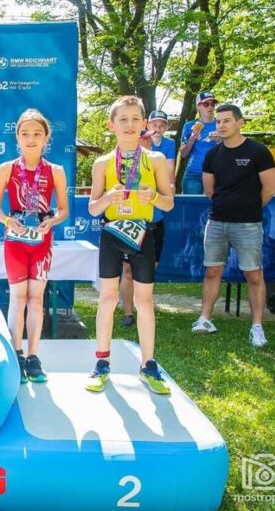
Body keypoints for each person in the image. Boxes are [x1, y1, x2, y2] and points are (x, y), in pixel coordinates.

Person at [86, 95, 174, 395]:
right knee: (108, 298)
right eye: (123, 119)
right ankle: (101, 363)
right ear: (111, 125)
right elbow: (93, 208)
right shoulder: (102, 163)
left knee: (144, 301)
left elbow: (169, 203)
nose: (129, 124)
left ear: (144, 124)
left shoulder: (156, 159)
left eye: (135, 119)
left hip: (143, 234)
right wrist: (108, 198)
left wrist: (154, 198)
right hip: (112, 233)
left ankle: (148, 365)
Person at [0, 109, 68, 383]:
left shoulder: (56, 171)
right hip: (15, 241)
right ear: (17, 138)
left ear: (46, 137)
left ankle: (34, 357)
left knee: (36, 299)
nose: (31, 139)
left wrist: (52, 221)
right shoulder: (7, 168)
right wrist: (7, 220)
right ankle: (17, 355)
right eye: (25, 134)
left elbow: (63, 210)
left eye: (37, 134)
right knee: (18, 298)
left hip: (42, 242)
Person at [192, 104, 275, 347]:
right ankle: (204, 319)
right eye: (218, 121)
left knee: (254, 275)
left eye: (227, 120)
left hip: (248, 224)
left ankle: (257, 327)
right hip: (216, 222)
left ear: (240, 123)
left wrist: (248, 208)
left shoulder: (258, 151)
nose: (221, 125)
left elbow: (270, 189)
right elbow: (210, 190)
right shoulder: (212, 155)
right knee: (212, 271)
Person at [120, 112, 177, 326]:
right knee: (127, 271)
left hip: (154, 222)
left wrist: (163, 192)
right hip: (130, 223)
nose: (147, 143)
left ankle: (144, 311)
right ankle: (128, 314)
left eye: (150, 140)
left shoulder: (159, 164)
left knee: (148, 271)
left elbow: (168, 196)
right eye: (144, 139)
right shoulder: (124, 163)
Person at [179, 91, 220, 194]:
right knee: (193, 203)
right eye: (206, 104)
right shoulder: (189, 125)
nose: (210, 107)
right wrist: (192, 139)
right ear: (198, 106)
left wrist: (220, 141)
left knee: (216, 204)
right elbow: (183, 154)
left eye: (212, 104)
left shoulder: (220, 124)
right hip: (194, 173)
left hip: (216, 172)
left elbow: (231, 149)